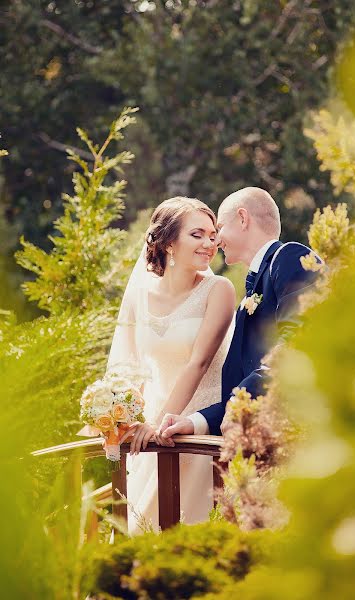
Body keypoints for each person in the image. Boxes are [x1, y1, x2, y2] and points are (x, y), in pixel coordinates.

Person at [107, 197, 235, 533]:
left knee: (188, 528)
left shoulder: (219, 290)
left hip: (195, 428)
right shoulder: (140, 296)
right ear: (168, 242)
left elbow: (199, 361)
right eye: (198, 235)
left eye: (212, 235)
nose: (210, 243)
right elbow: (131, 366)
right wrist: (125, 418)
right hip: (151, 430)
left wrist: (164, 422)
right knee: (140, 528)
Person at [159, 187, 322, 439]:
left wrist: (241, 398)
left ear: (243, 218)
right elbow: (237, 391)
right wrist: (192, 422)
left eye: (219, 228)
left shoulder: (290, 257)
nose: (215, 241)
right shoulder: (252, 289)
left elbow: (299, 340)